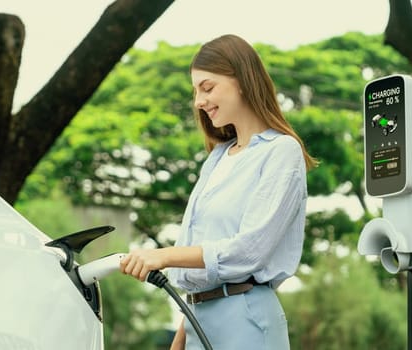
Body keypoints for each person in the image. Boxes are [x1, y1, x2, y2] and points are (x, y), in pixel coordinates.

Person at [119, 34, 317, 350]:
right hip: (198, 319)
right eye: (196, 91)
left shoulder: (281, 151)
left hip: (245, 319)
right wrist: (180, 339)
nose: (198, 101)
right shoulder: (217, 158)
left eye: (207, 88)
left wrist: (163, 256)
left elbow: (248, 251)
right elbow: (205, 269)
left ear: (242, 80)